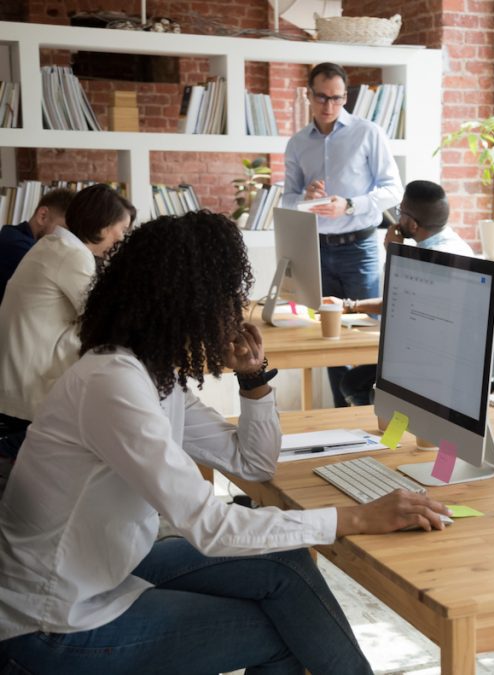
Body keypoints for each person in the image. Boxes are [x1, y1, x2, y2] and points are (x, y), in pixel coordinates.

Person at [0, 211, 450, 674]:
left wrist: (253, 379)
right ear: (186, 303)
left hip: (104, 571)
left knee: (286, 563)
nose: (234, 311)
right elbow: (210, 526)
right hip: (52, 620)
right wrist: (356, 516)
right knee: (281, 631)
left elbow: (252, 465)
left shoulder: (153, 375)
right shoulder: (113, 383)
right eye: (227, 297)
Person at [282, 61, 403, 407]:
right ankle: (341, 415)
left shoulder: (368, 133)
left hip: (359, 247)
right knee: (328, 338)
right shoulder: (296, 144)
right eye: (321, 97)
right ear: (309, 95)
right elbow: (287, 199)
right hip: (316, 250)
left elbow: (393, 190)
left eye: (336, 98)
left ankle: (375, 413)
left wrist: (348, 204)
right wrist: (305, 198)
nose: (329, 106)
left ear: (345, 96)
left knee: (370, 334)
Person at [0, 184, 135, 463]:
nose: (122, 237)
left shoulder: (55, 246)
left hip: (18, 382)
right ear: (102, 225)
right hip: (28, 394)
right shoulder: (71, 255)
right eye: (122, 229)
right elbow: (105, 320)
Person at [332, 180, 474, 406]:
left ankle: (389, 432)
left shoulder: (431, 260)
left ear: (413, 225)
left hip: (433, 363)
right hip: (451, 359)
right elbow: (400, 300)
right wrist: (350, 304)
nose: (397, 218)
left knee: (355, 384)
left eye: (400, 212)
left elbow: (400, 306)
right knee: (355, 380)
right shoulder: (455, 244)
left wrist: (395, 255)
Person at [0, 187, 74, 304]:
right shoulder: (17, 247)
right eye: (65, 231)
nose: (67, 240)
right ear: (42, 216)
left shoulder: (13, 236)